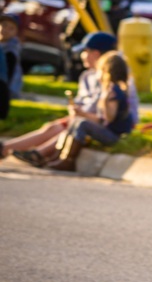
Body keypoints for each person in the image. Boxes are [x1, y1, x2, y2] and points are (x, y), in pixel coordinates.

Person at [3, 31, 137, 165]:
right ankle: (8, 149)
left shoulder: (112, 81)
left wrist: (80, 113)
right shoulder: (87, 76)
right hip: (88, 118)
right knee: (53, 127)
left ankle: (40, 154)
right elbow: (83, 103)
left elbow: (105, 115)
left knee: (69, 127)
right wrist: (75, 110)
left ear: (95, 54)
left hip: (101, 123)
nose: (82, 56)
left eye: (85, 51)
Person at [48, 51, 136, 172]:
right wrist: (81, 114)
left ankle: (69, 160)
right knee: (76, 121)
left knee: (82, 123)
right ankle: (58, 156)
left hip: (114, 135)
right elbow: (101, 119)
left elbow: (108, 118)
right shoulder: (112, 88)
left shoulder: (113, 91)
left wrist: (104, 101)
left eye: (99, 70)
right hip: (109, 130)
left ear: (107, 72)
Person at [0, 13, 22, 118]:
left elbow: (7, 77)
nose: (5, 30)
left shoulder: (10, 51)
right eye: (3, 25)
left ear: (16, 32)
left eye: (11, 28)